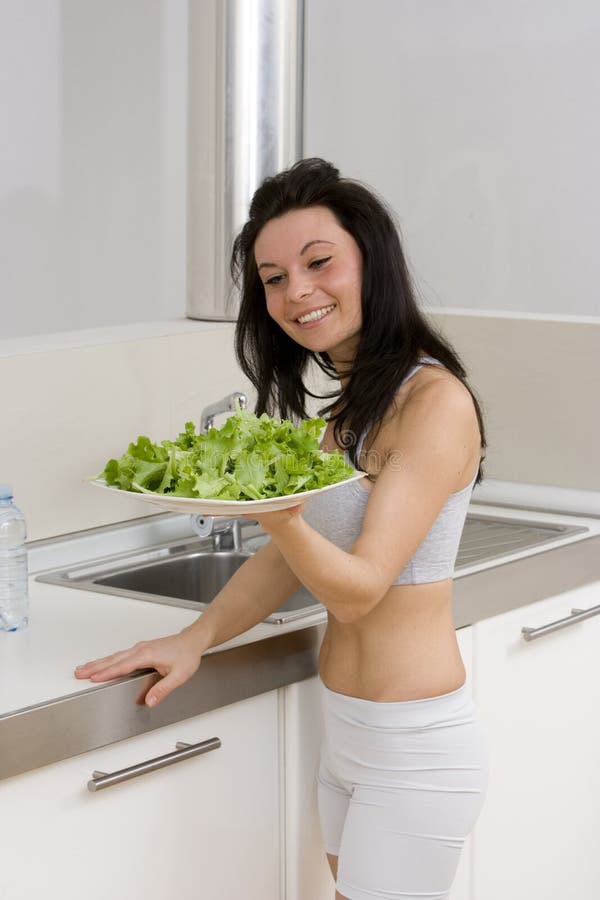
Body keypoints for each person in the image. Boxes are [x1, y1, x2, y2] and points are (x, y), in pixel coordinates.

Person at [75, 158, 490, 900]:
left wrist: (274, 510)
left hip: (414, 746)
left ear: (374, 262)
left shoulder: (433, 401)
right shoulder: (347, 411)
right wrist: (190, 640)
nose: (296, 291)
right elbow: (290, 558)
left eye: (319, 262)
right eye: (272, 277)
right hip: (348, 735)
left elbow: (359, 591)